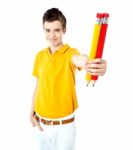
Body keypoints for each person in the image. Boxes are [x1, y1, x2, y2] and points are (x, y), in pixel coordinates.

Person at [30, 8, 107, 150]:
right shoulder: (39, 56)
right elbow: (38, 85)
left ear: (64, 30)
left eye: (57, 30)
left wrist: (91, 63)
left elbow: (80, 59)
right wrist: (31, 113)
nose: (52, 35)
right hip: (40, 126)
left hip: (64, 127)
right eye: (48, 30)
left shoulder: (70, 53)